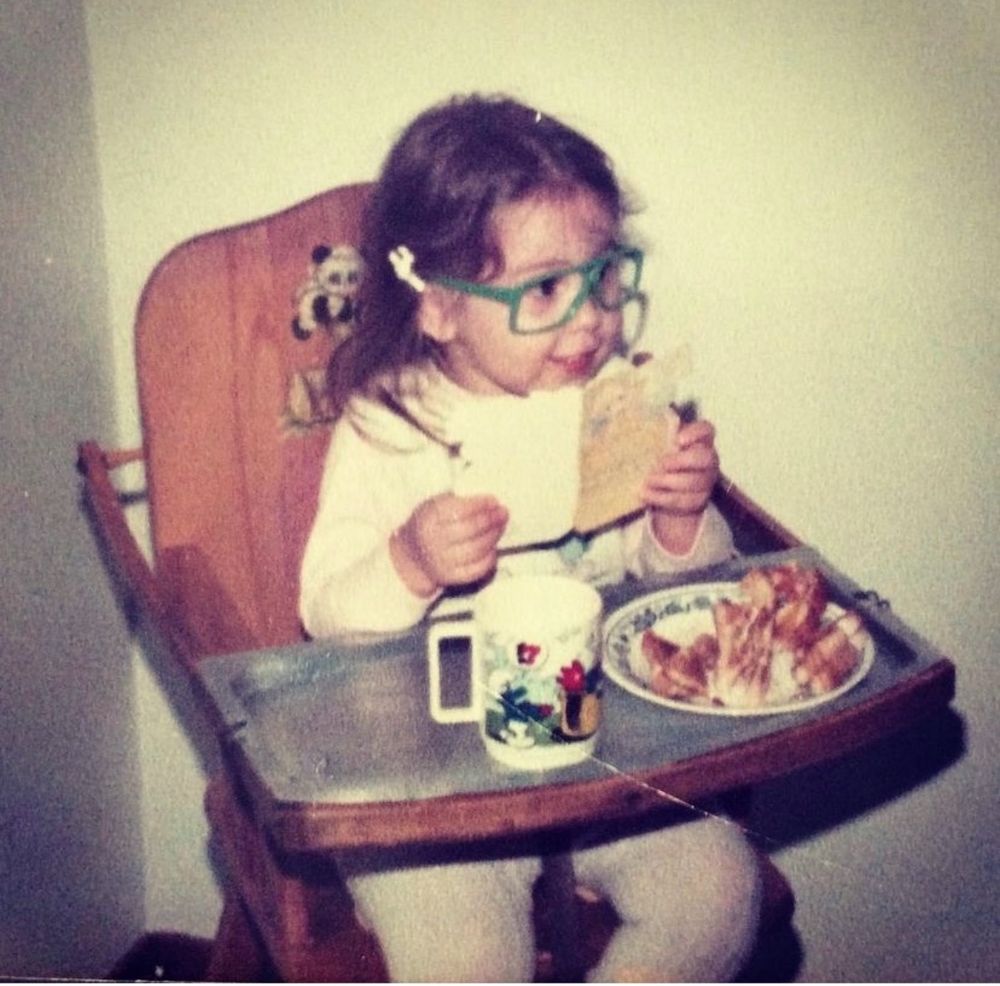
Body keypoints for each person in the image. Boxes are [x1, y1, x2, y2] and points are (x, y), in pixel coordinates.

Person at [299, 94, 761, 982]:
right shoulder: (390, 427)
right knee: (468, 962)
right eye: (547, 289)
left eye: (604, 278)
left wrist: (678, 521)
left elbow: (685, 602)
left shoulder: (616, 408)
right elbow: (324, 612)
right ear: (437, 307)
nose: (590, 318)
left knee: (717, 890)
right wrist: (409, 561)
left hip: (596, 755)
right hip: (431, 792)